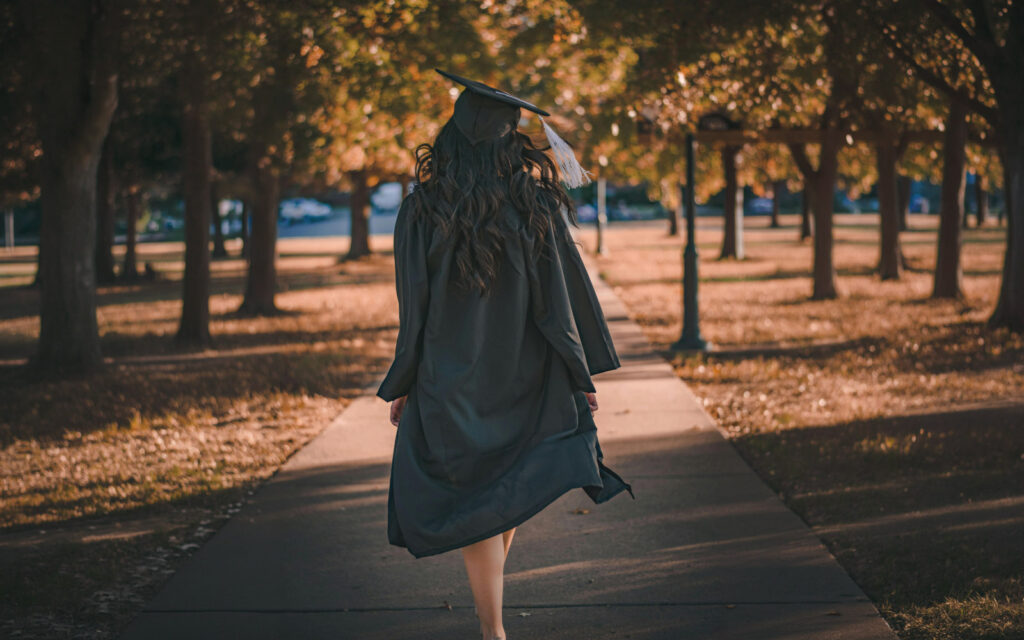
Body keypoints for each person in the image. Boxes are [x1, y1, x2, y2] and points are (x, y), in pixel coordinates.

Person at [376, 69, 635, 640]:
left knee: (484, 499)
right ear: (508, 142)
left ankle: (492, 631)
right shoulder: (533, 205)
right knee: (494, 497)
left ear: (450, 140)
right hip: (527, 373)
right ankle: (493, 630)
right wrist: (577, 371)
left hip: (452, 377)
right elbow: (559, 303)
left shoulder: (422, 210)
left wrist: (406, 380)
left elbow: (412, 310)